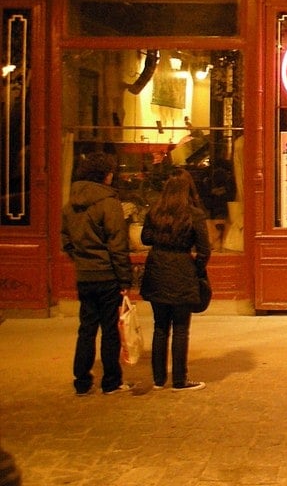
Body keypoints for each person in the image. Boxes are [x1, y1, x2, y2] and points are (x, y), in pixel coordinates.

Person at [61, 151, 134, 395]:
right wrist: (124, 279)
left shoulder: (71, 203)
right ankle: (111, 381)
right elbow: (117, 243)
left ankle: (82, 381)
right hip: (107, 275)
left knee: (86, 328)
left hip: (85, 275)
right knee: (110, 330)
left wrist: (80, 259)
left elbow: (66, 239)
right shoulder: (108, 203)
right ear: (104, 175)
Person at [140, 168, 211, 391]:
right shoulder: (194, 214)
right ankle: (179, 379)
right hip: (182, 270)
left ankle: (159, 379)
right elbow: (204, 250)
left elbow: (145, 238)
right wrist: (196, 270)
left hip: (157, 269)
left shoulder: (156, 212)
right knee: (181, 328)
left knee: (160, 327)